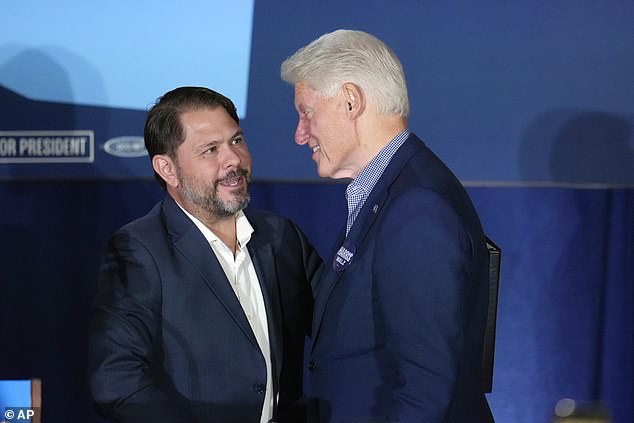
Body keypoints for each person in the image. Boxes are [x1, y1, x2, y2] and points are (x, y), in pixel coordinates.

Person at [281, 30, 495, 422]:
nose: (300, 134)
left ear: (350, 101)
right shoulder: (393, 192)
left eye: (306, 112)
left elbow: (425, 391)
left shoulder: (418, 208)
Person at [88, 86, 321, 422]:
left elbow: (343, 327)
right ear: (167, 169)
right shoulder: (140, 251)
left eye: (237, 141)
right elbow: (116, 381)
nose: (234, 160)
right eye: (210, 150)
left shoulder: (282, 236)